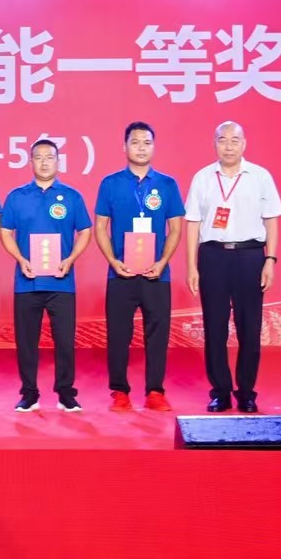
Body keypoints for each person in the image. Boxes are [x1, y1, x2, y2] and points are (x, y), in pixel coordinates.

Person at [184, 121, 281, 413]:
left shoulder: (260, 177)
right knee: (214, 328)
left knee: (249, 328)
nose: (228, 146)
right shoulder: (202, 177)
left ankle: (247, 392)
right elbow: (193, 224)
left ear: (244, 144)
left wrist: (270, 259)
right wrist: (191, 266)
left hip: (250, 256)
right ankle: (220, 392)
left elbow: (271, 220)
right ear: (214, 143)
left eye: (234, 140)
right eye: (222, 140)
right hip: (213, 256)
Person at [93, 121, 185, 411]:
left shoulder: (168, 184)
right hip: (120, 273)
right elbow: (100, 227)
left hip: (157, 274)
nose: (141, 148)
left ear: (154, 147)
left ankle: (155, 391)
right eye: (135, 142)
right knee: (119, 334)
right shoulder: (110, 183)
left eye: (147, 142)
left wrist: (162, 262)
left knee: (157, 333)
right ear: (124, 147)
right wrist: (113, 261)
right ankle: (119, 391)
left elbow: (175, 228)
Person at [0, 139, 94, 412]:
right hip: (26, 282)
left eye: (49, 157)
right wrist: (21, 260)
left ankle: (66, 393)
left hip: (62, 282)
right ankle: (29, 393)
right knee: (26, 342)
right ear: (30, 162)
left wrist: (70, 260)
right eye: (38, 157)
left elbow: (85, 231)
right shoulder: (17, 196)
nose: (44, 162)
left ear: (58, 161)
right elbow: (5, 232)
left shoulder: (72, 196)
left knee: (65, 341)